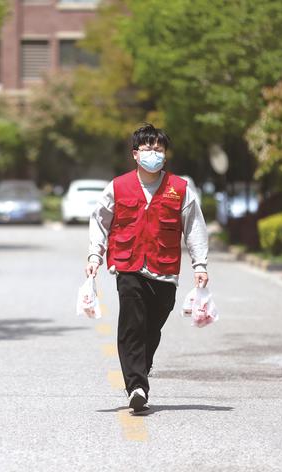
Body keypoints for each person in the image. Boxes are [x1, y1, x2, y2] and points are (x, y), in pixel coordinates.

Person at [85, 123, 209, 413]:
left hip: (164, 270)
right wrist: (94, 256)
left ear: (165, 154)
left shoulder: (180, 189)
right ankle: (137, 387)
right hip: (128, 266)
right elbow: (99, 221)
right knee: (132, 324)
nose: (154, 153)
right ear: (135, 154)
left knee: (152, 327)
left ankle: (140, 366)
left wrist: (200, 265)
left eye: (159, 149)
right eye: (148, 148)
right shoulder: (117, 187)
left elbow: (194, 227)